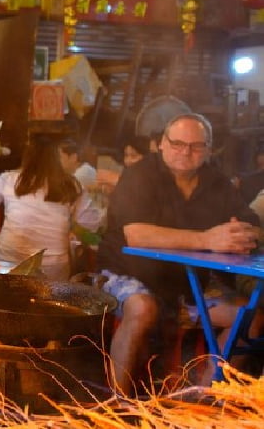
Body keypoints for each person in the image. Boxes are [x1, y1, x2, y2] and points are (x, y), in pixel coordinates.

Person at [97, 113, 263, 395]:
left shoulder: (217, 182)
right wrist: (208, 239)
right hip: (127, 273)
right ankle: (118, 401)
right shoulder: (139, 175)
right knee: (143, 308)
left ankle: (201, 397)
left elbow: (253, 225)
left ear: (209, 149)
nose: (186, 152)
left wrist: (242, 233)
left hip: (188, 285)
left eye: (197, 146)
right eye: (177, 143)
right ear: (161, 143)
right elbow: (137, 234)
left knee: (252, 318)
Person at [0, 133, 101, 281]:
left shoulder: (11, 179)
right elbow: (92, 223)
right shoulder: (72, 185)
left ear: (27, 158)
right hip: (53, 273)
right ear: (56, 159)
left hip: (7, 267)